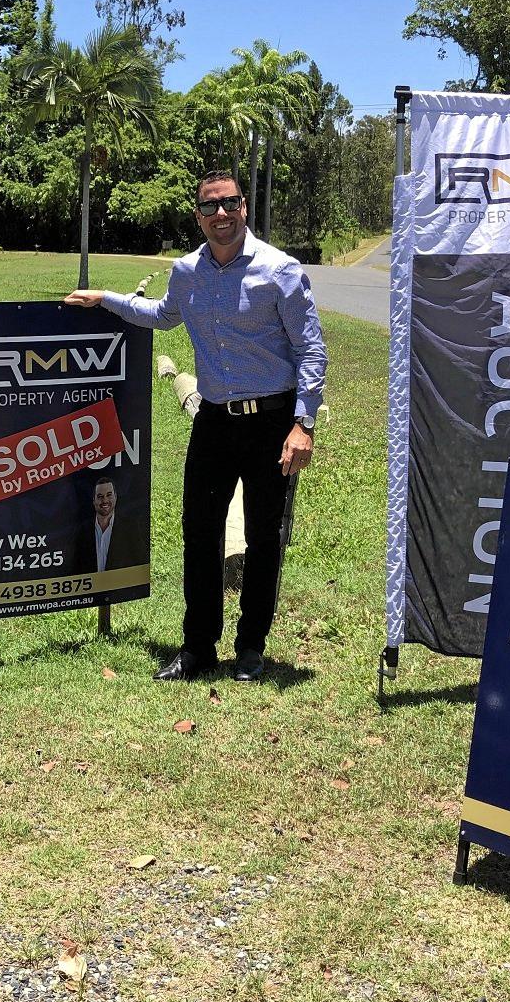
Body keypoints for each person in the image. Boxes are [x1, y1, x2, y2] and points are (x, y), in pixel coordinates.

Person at [66, 171, 327, 682]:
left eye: (229, 204)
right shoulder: (186, 272)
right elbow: (162, 315)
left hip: (272, 421)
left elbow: (311, 348)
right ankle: (198, 648)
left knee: (263, 537)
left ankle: (251, 647)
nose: (221, 215)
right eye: (210, 207)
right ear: (198, 215)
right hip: (213, 421)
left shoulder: (281, 271)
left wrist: (303, 424)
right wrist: (107, 300)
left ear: (244, 207)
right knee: (199, 534)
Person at [71, 474, 135, 574]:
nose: (105, 500)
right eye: (100, 496)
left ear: (116, 497)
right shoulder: (82, 531)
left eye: (109, 495)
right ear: (94, 500)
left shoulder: (130, 528)